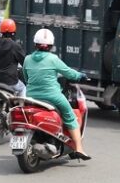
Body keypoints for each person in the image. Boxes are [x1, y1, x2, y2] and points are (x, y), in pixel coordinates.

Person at [22, 28, 90, 160]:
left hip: (30, 97)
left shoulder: (27, 59)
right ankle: (79, 148)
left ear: (35, 43)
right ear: (51, 45)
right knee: (70, 116)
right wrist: (81, 76)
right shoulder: (53, 59)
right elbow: (69, 73)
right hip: (53, 96)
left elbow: (26, 77)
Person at [0, 19, 26, 96]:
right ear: (13, 33)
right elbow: (25, 62)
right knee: (22, 88)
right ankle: (21, 107)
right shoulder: (15, 46)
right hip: (10, 81)